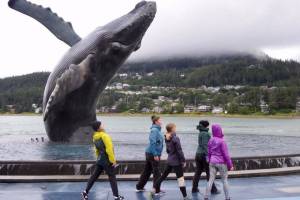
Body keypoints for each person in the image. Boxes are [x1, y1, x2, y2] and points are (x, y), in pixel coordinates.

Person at [81, 121, 124, 200]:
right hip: (107, 160)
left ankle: (85, 192)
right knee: (112, 178)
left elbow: (96, 150)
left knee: (94, 176)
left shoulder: (95, 137)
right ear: (99, 127)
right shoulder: (105, 136)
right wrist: (113, 160)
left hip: (100, 160)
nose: (103, 125)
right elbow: (109, 149)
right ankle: (116, 196)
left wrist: (99, 158)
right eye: (101, 125)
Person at [154, 123, 191, 199]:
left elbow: (168, 151)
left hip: (169, 161)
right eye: (175, 127)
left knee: (163, 176)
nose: (175, 128)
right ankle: (185, 196)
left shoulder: (166, 138)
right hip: (176, 162)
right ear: (172, 129)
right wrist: (183, 161)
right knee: (180, 179)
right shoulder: (175, 138)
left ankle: (153, 189)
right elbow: (179, 151)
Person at [204, 124, 234, 200]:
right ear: (220, 130)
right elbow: (226, 154)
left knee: (211, 180)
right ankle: (227, 198)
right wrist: (230, 165)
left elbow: (208, 152)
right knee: (224, 180)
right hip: (221, 163)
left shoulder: (211, 140)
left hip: (212, 162)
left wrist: (209, 160)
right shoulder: (222, 141)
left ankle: (206, 197)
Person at [136, 115, 164, 192]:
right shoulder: (154, 130)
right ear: (156, 122)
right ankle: (156, 189)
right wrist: (155, 154)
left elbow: (158, 141)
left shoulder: (157, 130)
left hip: (150, 153)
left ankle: (139, 186)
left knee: (147, 171)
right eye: (160, 120)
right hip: (152, 154)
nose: (161, 121)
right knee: (157, 172)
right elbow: (152, 142)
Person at [192, 120, 219, 194]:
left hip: (198, 154)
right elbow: (205, 145)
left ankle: (194, 188)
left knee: (198, 172)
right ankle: (213, 189)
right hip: (203, 155)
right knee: (209, 173)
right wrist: (208, 156)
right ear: (206, 126)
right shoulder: (205, 134)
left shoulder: (201, 132)